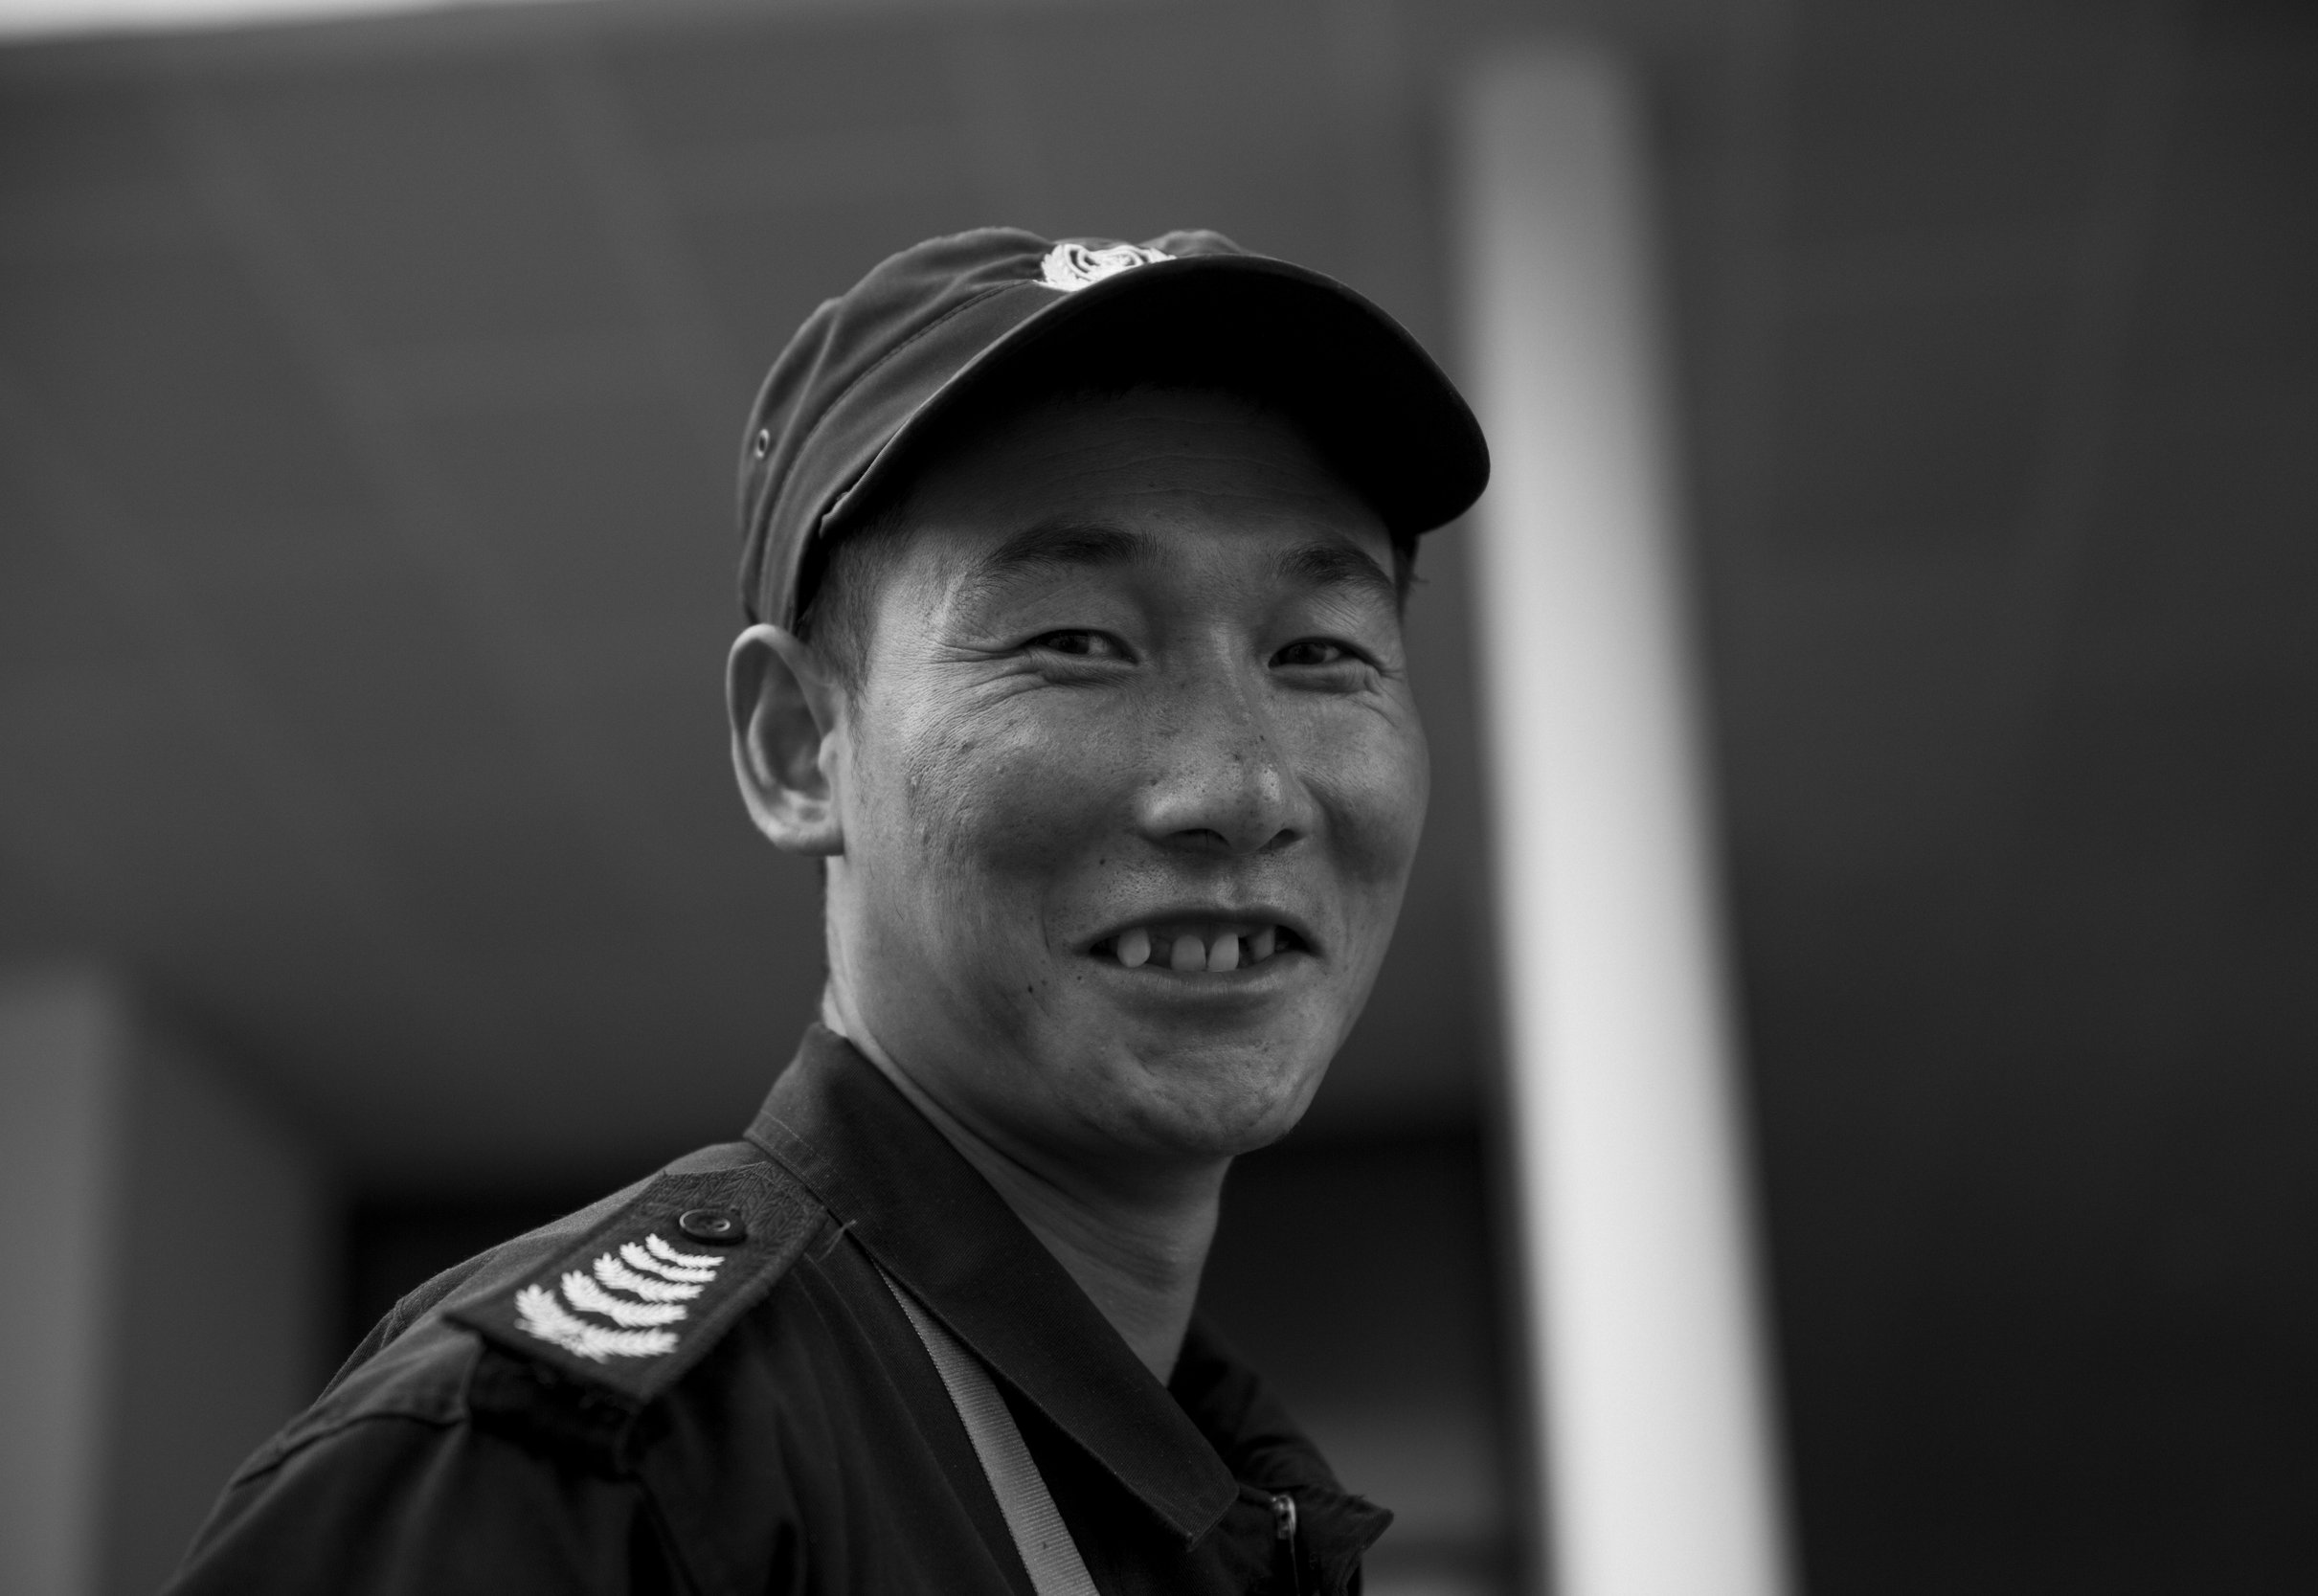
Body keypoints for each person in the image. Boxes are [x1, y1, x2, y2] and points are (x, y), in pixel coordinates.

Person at [163, 227, 1488, 1595]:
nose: (1244, 785)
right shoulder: (589, 1479)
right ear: (801, 746)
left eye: (1322, 653)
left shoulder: (1214, 1499)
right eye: (1076, 642)